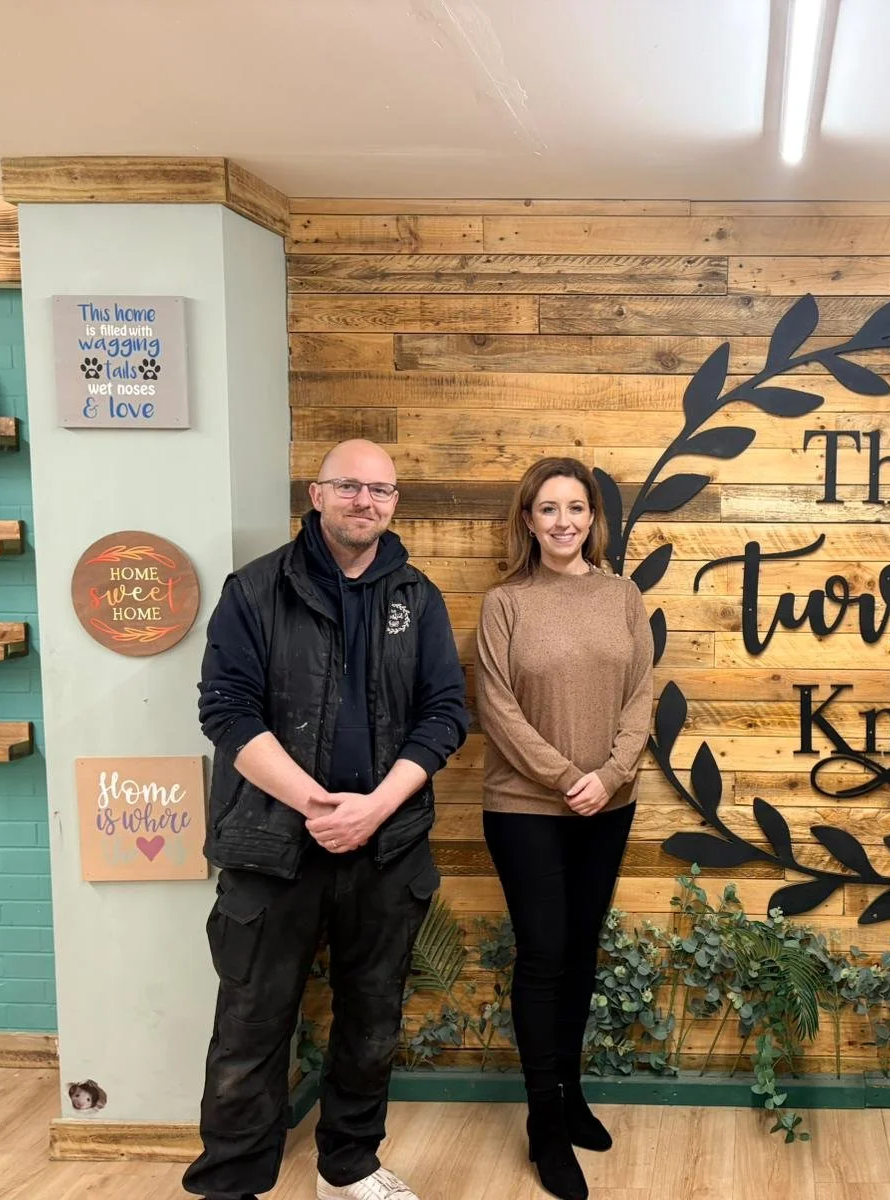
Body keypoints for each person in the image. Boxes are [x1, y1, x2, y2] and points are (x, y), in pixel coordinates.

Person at [184, 439, 471, 1200]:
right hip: (272, 848)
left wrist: (375, 809)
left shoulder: (418, 598)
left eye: (380, 490)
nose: (364, 501)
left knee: (372, 1023)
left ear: (394, 503)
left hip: (385, 848)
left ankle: (348, 1169)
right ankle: (230, 1184)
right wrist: (317, 806)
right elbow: (226, 712)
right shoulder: (254, 591)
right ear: (317, 494)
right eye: (349, 486)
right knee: (249, 1027)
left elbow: (445, 714)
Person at [474, 456, 654, 1200]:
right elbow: (496, 706)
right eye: (547, 508)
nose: (563, 521)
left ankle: (570, 1094)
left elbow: (641, 694)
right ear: (528, 520)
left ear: (592, 518)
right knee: (544, 953)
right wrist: (564, 777)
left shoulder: (623, 595)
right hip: (524, 806)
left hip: (607, 805)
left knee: (580, 951)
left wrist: (608, 776)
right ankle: (544, 1121)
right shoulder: (505, 603)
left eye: (575, 508)